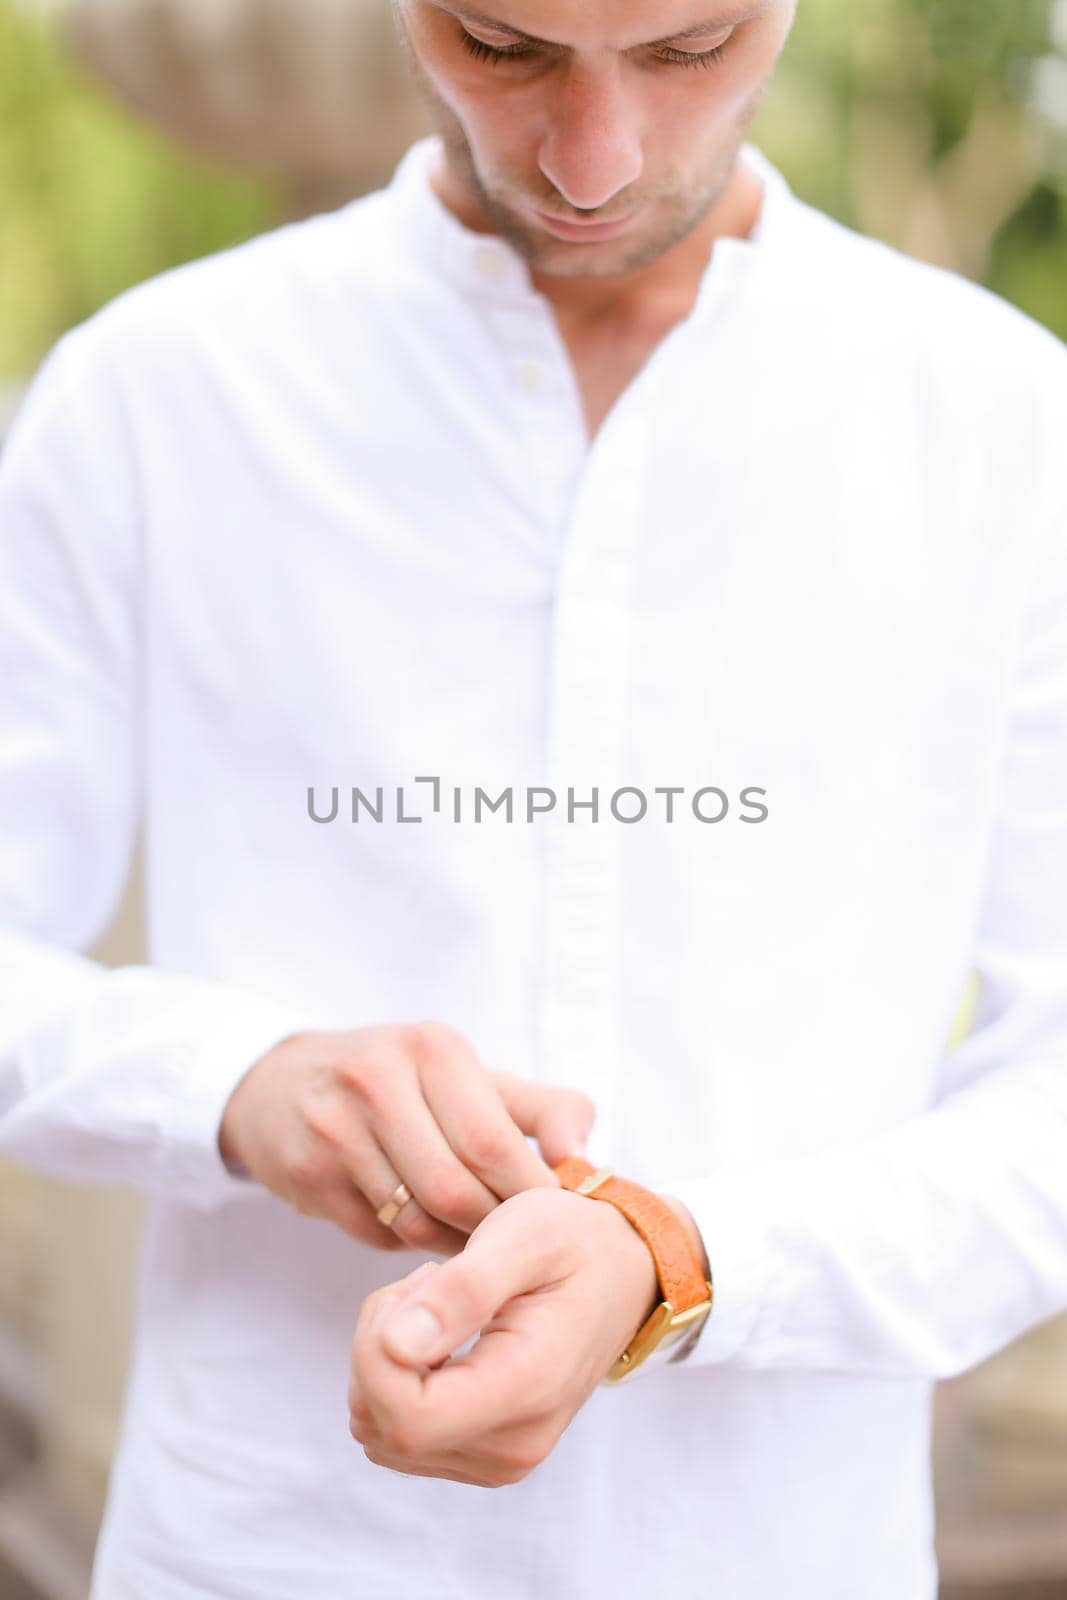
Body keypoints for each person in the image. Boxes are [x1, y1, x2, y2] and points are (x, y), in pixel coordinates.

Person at [1, 1, 1066, 1595]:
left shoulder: (1006, 425)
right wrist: (234, 1084)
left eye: (687, 50)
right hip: (255, 1553)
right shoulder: (153, 395)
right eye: (504, 49)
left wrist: (687, 1265)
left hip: (783, 1557)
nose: (593, 162)